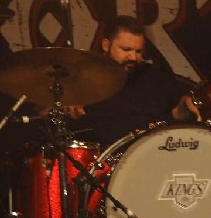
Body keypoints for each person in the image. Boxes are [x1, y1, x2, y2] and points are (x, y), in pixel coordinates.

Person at [60, 15, 200, 148]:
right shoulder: (83, 78)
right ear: (105, 45)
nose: (133, 57)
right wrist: (66, 106)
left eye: (138, 51)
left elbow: (177, 111)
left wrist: (186, 103)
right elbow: (50, 113)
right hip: (102, 163)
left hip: (152, 157)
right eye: (126, 49)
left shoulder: (153, 77)